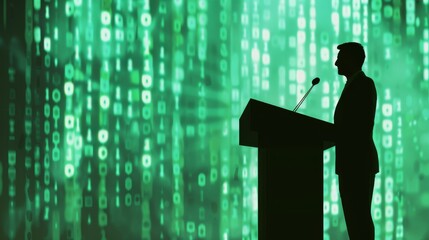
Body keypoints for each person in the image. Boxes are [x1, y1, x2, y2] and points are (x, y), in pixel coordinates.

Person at [333, 42, 379, 239]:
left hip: (358, 163)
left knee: (359, 220)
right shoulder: (354, 85)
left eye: (340, 58)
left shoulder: (364, 84)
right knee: (354, 220)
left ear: (352, 60)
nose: (336, 63)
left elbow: (358, 126)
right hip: (350, 163)